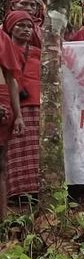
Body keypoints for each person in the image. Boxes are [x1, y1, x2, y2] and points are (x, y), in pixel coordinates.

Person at [3, 11, 40, 202]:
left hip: (36, 105)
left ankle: (35, 191)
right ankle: (16, 193)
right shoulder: (4, 50)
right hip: (10, 106)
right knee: (14, 149)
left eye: (29, 26)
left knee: (35, 150)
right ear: (10, 27)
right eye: (20, 25)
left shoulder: (38, 52)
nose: (25, 30)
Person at [0, 22, 24, 219]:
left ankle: (3, 219)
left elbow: (11, 79)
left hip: (1, 102)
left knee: (1, 163)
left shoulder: (2, 38)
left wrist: (18, 115)